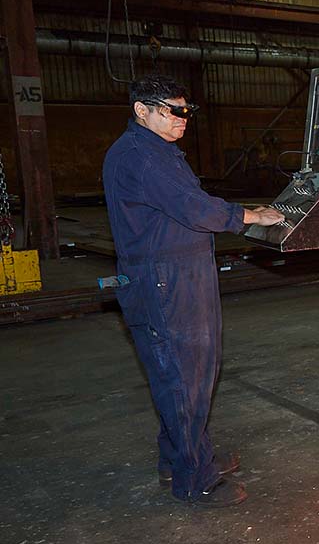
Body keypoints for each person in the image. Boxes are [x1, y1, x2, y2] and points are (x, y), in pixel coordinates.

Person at [102, 75, 285, 508]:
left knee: (183, 375)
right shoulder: (140, 158)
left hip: (175, 273)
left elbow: (185, 201)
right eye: (171, 110)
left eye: (186, 111)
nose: (182, 119)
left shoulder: (157, 151)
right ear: (141, 111)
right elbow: (193, 207)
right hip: (166, 280)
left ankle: (182, 457)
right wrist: (248, 215)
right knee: (184, 377)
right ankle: (194, 479)